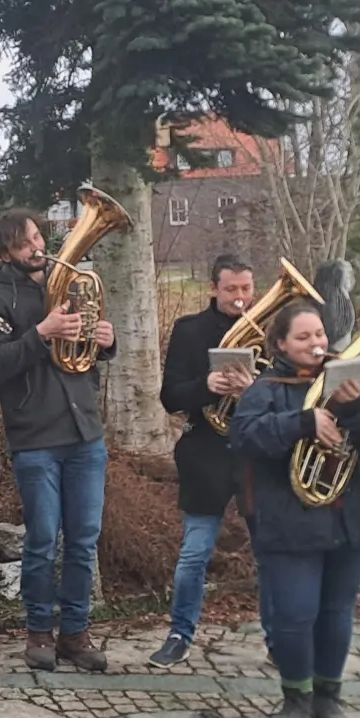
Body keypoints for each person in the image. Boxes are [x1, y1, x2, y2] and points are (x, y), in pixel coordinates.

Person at [229, 301, 360, 718]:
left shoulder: (349, 378)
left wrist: (359, 408)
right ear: (281, 343)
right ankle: (295, 697)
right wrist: (303, 422)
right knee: (294, 614)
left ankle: (329, 696)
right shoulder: (267, 386)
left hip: (348, 517)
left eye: (319, 335)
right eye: (303, 337)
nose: (316, 344)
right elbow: (245, 436)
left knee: (337, 611)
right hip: (292, 520)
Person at [0, 209, 116, 673]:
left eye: (37, 237)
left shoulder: (72, 283)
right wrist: (41, 333)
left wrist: (104, 340)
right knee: (42, 540)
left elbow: (85, 355)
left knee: (84, 541)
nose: (36, 248)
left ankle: (76, 633)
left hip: (84, 433)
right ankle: (38, 632)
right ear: (6, 253)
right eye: (23, 244)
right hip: (35, 438)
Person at [150, 253, 256, 667]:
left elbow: (288, 390)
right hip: (206, 451)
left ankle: (280, 636)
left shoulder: (268, 328)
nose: (240, 298)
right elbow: (170, 396)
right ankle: (180, 633)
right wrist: (207, 386)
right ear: (214, 288)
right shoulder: (190, 331)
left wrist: (254, 388)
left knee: (270, 551)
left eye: (246, 288)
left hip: (253, 455)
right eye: (231, 289)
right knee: (194, 554)